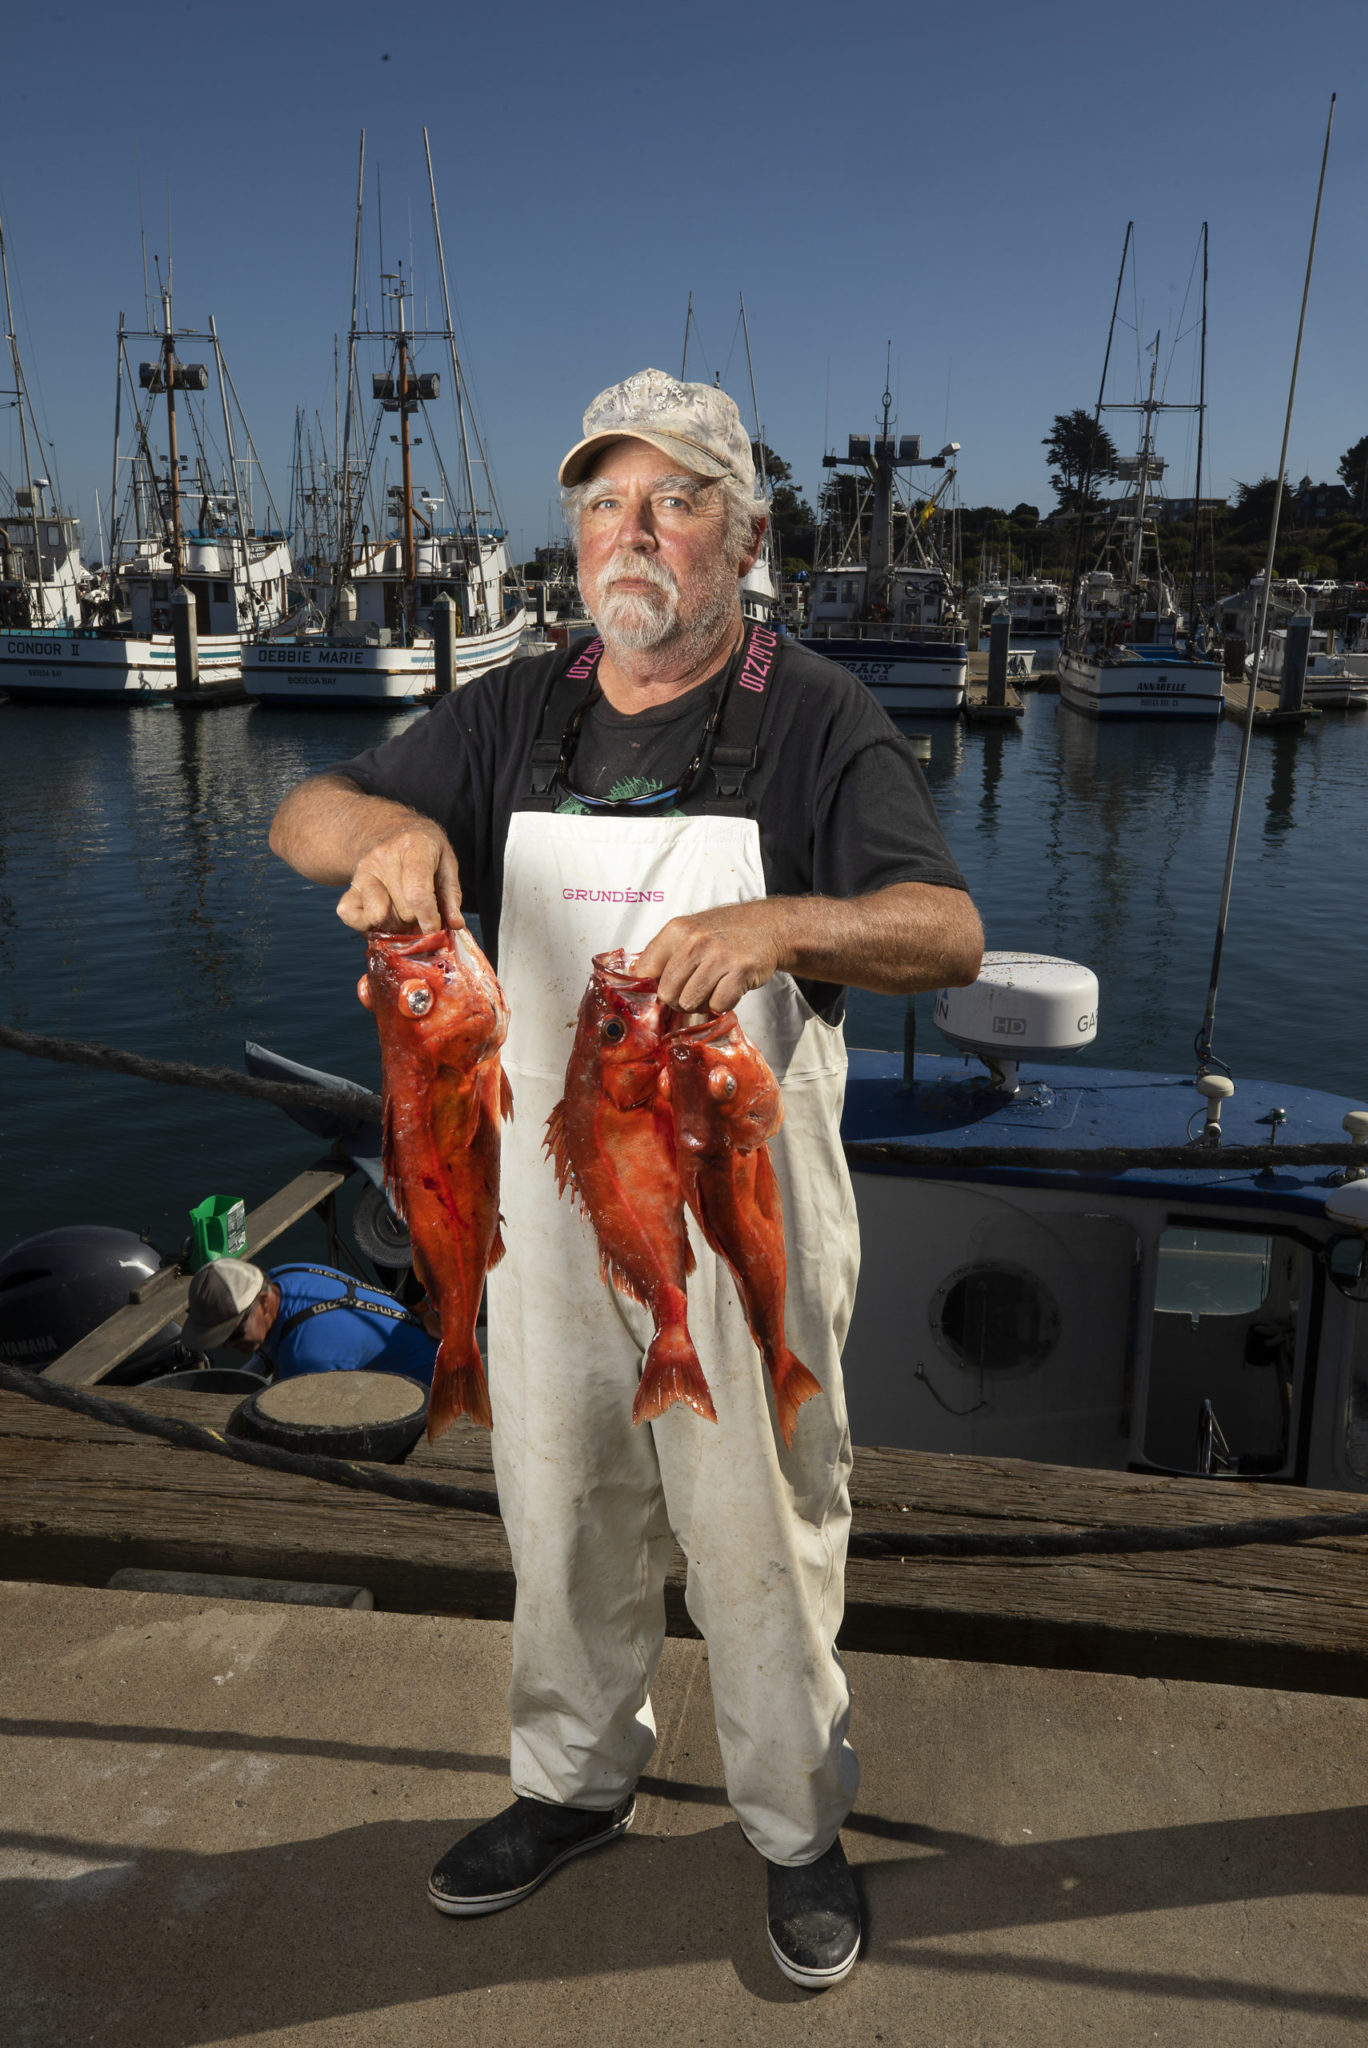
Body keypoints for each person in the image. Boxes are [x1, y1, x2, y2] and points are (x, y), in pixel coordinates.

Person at [269, 369, 983, 1991]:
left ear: (739, 531)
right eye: (602, 499)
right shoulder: (518, 705)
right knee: (562, 1505)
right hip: (543, 1201)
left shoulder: (813, 718)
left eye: (669, 498)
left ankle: (796, 1825)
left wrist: (779, 925)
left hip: (728, 1204)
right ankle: (572, 1782)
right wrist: (374, 835)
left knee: (757, 1523)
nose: (628, 531)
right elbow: (302, 811)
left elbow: (940, 929)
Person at [180, 1256, 439, 1389]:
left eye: (233, 1333)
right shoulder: (284, 1274)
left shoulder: (306, 1355)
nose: (228, 1346)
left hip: (432, 1394)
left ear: (262, 1301)